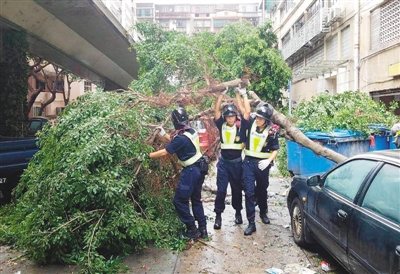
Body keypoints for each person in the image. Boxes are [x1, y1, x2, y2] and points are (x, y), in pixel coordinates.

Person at [149, 107, 208, 240]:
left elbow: (166, 151)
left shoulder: (180, 138)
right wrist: (164, 134)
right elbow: (175, 140)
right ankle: (203, 230)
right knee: (196, 200)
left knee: (179, 201)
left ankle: (192, 229)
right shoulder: (191, 131)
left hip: (191, 171)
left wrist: (148, 155)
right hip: (200, 168)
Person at [239, 98, 280, 236]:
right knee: (249, 192)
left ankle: (263, 212)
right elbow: (246, 112)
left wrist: (268, 161)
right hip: (249, 163)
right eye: (257, 117)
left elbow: (275, 149)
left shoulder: (272, 131)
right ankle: (251, 223)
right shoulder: (251, 123)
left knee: (262, 190)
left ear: (266, 120)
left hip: (263, 165)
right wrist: (243, 94)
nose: (257, 120)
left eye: (261, 119)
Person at [212, 86, 250, 230]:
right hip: (224, 163)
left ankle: (238, 213)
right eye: (227, 116)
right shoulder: (221, 125)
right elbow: (216, 111)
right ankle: (218, 216)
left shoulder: (241, 126)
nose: (230, 118)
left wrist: (243, 94)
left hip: (237, 164)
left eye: (232, 116)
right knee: (221, 190)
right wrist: (221, 95)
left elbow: (247, 111)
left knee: (236, 190)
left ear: (235, 116)